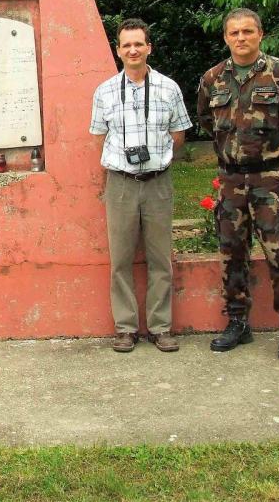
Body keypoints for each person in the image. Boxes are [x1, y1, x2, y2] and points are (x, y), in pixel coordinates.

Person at [196, 8, 279, 360]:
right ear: (225, 37)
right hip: (231, 180)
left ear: (260, 34)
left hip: (270, 180)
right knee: (232, 254)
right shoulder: (213, 79)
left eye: (248, 31)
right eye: (234, 33)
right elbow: (207, 119)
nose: (241, 38)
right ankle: (237, 322)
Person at [90, 18, 192, 353]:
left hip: (158, 183)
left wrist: (157, 160)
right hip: (120, 183)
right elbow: (99, 138)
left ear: (150, 47)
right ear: (118, 50)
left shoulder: (169, 88)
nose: (133, 50)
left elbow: (178, 135)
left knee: (160, 257)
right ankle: (125, 328)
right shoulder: (104, 92)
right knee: (120, 258)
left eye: (139, 44)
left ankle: (161, 327)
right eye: (126, 45)